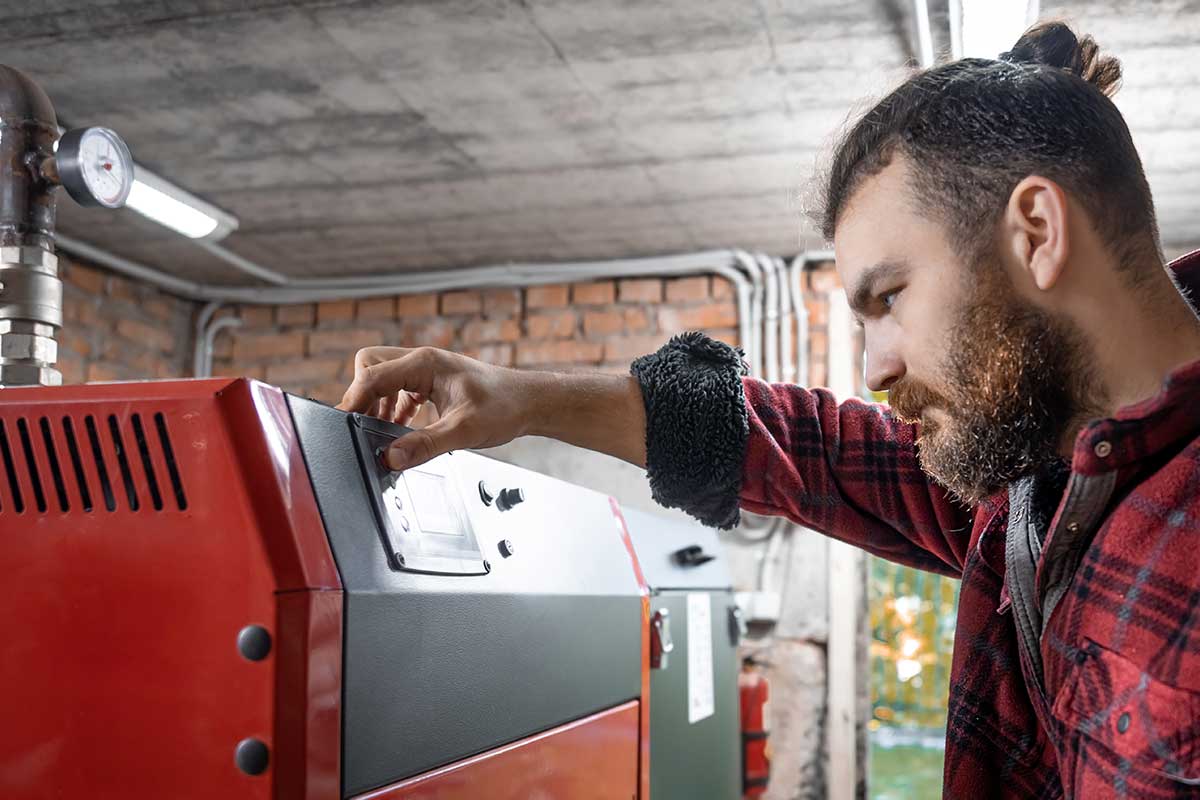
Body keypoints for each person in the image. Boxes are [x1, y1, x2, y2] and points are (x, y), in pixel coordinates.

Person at [337, 22, 1200, 799]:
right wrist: (525, 398)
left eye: (890, 296)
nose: (877, 370)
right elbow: (811, 449)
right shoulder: (1034, 473)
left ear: (1037, 235)